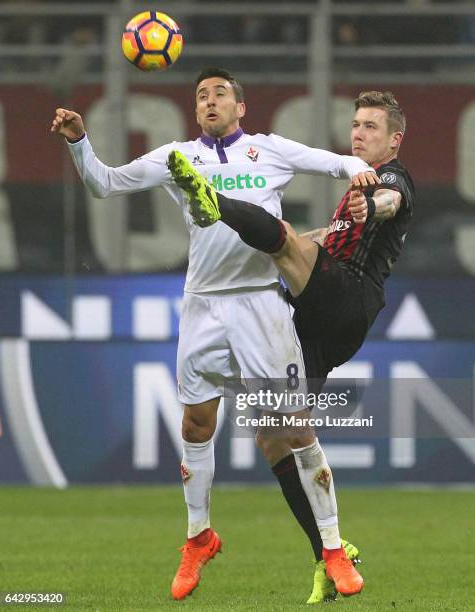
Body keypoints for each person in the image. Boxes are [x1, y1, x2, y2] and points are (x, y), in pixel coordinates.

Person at [50, 67, 376, 603]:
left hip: (260, 303)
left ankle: (335, 548)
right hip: (203, 304)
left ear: (240, 107)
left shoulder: (267, 150)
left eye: (219, 93)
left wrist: (361, 170)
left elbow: (335, 161)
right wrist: (80, 142)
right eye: (201, 95)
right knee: (197, 424)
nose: (209, 101)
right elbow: (104, 184)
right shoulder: (178, 157)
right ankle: (199, 537)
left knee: (293, 428)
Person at [168, 90, 414, 603]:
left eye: (372, 127)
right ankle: (326, 554)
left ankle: (216, 202)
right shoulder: (352, 187)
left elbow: (389, 204)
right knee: (275, 434)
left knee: (280, 241)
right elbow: (328, 236)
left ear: (394, 139)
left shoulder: (390, 179)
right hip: (320, 320)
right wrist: (320, 232)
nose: (359, 134)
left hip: (348, 295)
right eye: (356, 125)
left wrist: (374, 207)